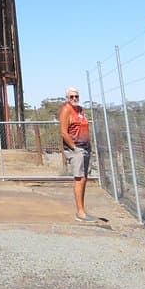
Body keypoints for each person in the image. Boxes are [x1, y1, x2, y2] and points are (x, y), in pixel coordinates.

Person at [60, 86, 98, 222]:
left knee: (84, 178)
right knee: (79, 178)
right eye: (71, 97)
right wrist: (74, 147)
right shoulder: (66, 110)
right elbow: (64, 132)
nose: (74, 99)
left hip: (86, 147)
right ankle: (80, 212)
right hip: (77, 149)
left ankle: (82, 209)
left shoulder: (80, 110)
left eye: (76, 96)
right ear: (67, 98)